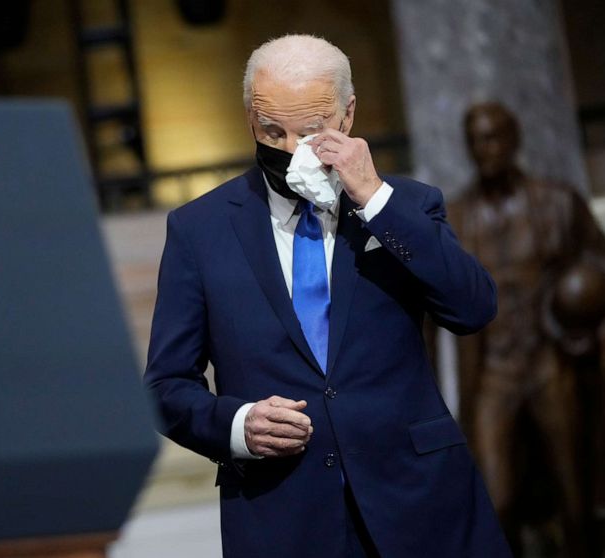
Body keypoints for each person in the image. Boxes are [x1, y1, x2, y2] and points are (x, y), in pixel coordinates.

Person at [143, 34, 511, 558]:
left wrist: (375, 200)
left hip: (422, 506)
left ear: (347, 115)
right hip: (283, 516)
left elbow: (474, 308)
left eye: (311, 130)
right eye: (273, 130)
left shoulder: (406, 205)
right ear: (250, 119)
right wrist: (237, 425)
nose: (292, 149)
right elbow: (164, 386)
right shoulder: (198, 230)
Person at [447, 102, 605, 557]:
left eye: (493, 137)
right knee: (496, 499)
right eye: (476, 140)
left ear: (513, 140)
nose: (485, 148)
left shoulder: (557, 203)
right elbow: (429, 311)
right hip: (494, 374)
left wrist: (589, 307)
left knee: (576, 494)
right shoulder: (456, 219)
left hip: (548, 364)